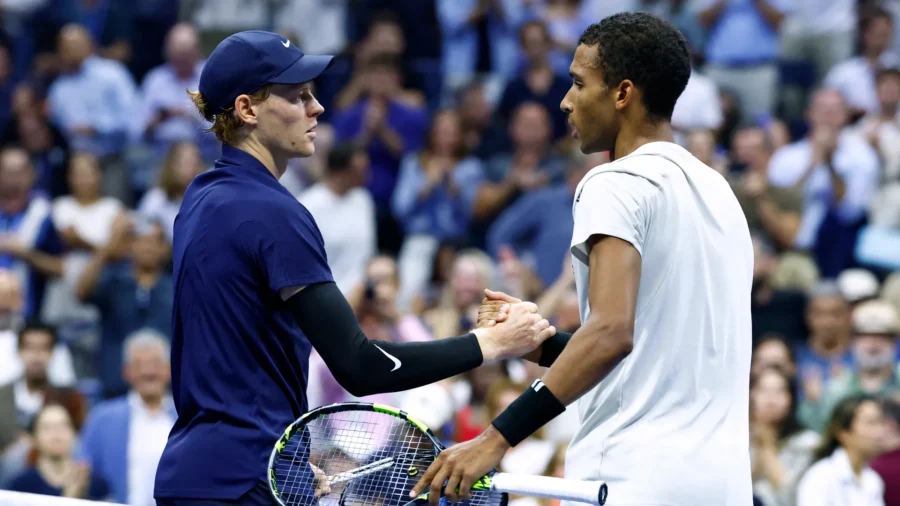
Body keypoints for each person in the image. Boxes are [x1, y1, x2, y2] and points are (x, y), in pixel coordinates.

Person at [152, 30, 556, 506]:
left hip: (194, 472)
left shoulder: (198, 198)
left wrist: (290, 466)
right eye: (297, 96)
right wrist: (488, 344)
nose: (317, 107)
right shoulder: (273, 211)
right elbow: (360, 366)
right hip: (245, 480)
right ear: (247, 109)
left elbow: (236, 351)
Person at [412, 12, 755, 506]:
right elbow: (650, 354)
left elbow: (612, 333)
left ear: (622, 94)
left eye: (577, 83)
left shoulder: (613, 182)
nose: (565, 100)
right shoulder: (720, 193)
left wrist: (495, 439)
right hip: (721, 487)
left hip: (630, 479)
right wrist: (544, 344)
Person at [795, 395, 886, 506]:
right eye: (871, 423)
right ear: (843, 432)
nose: (879, 432)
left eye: (881, 423)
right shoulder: (820, 478)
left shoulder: (873, 480)